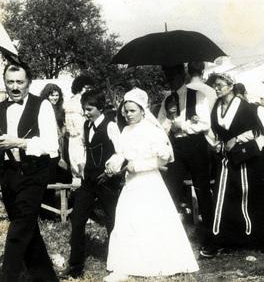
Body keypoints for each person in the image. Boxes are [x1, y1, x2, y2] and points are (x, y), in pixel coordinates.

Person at [103, 88, 198, 281]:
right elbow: (121, 152)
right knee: (127, 220)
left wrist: (137, 166)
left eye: (132, 111)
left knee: (150, 220)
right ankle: (128, 263)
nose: (128, 115)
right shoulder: (126, 130)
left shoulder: (152, 131)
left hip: (149, 182)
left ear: (142, 110)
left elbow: (165, 159)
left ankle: (156, 262)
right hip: (131, 184)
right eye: (126, 111)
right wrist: (113, 163)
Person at [201, 73, 264, 257]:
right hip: (226, 159)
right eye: (215, 85)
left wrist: (237, 139)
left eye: (220, 85)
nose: (217, 88)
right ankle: (217, 240)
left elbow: (260, 131)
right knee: (221, 197)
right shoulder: (216, 107)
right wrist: (221, 144)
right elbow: (216, 134)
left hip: (247, 160)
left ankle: (254, 237)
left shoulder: (246, 107)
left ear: (230, 86)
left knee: (247, 195)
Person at [0, 63, 60, 281]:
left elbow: (52, 145)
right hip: (8, 176)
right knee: (28, 230)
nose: (15, 87)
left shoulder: (42, 105)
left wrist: (19, 143)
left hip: (34, 175)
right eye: (10, 82)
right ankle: (46, 278)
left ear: (29, 83)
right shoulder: (0, 108)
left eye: (20, 82)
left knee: (17, 231)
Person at [60, 90, 122, 279]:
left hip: (106, 181)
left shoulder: (111, 126)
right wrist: (81, 164)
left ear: (100, 108)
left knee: (112, 221)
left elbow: (121, 152)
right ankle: (76, 266)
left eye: (89, 109)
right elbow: (84, 148)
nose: (86, 112)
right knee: (77, 220)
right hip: (88, 180)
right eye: (84, 109)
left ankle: (116, 261)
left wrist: (110, 170)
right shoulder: (86, 126)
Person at [156, 63, 214, 244]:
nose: (169, 80)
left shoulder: (197, 96)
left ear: (182, 75)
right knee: (170, 188)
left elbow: (205, 123)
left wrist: (184, 125)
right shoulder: (167, 100)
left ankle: (210, 234)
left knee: (202, 188)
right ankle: (170, 234)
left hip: (195, 145)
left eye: (172, 76)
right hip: (176, 148)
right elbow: (160, 125)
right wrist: (168, 126)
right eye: (166, 77)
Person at [39, 83, 72, 219]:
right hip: (50, 148)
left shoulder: (60, 109)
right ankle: (48, 214)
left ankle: (65, 209)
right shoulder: (42, 107)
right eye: (52, 95)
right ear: (46, 95)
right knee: (50, 179)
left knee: (66, 176)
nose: (54, 98)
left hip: (63, 145)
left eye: (57, 95)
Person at [63, 75, 94, 181]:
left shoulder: (74, 101)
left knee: (80, 163)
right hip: (74, 137)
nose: (88, 90)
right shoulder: (77, 101)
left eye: (90, 88)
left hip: (81, 136)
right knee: (76, 163)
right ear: (80, 87)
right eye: (86, 88)